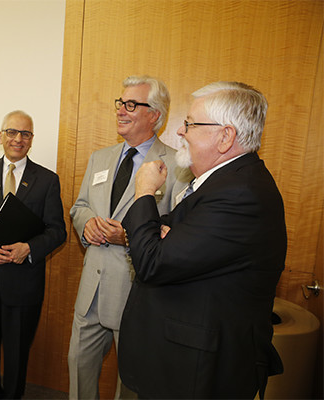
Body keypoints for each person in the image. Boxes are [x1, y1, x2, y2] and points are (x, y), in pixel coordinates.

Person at [119, 81, 286, 399]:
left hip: (198, 372)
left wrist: (144, 192)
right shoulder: (222, 183)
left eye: (190, 124)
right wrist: (161, 235)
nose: (181, 132)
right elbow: (167, 234)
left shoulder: (240, 193)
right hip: (181, 360)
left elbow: (152, 262)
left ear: (225, 137)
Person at [68, 75, 191, 399]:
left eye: (131, 104)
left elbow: (176, 228)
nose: (121, 110)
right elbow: (79, 206)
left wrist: (131, 236)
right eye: (120, 103)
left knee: (132, 386)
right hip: (90, 291)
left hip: (135, 294)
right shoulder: (100, 158)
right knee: (78, 372)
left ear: (155, 114)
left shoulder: (176, 166)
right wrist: (87, 224)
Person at [0, 110, 67, 399]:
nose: (18, 139)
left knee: (17, 354)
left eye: (25, 134)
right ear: (1, 135)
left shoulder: (47, 180)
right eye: (12, 132)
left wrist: (28, 249)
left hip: (23, 283)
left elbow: (58, 231)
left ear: (32, 140)